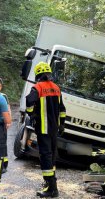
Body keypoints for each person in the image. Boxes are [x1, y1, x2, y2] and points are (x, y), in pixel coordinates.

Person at [26, 62, 66, 198]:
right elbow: (62, 109)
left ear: (38, 74)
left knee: (45, 156)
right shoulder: (56, 88)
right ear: (49, 74)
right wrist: (62, 125)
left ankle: (51, 188)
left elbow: (29, 102)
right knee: (52, 156)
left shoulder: (37, 88)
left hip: (43, 129)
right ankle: (51, 183)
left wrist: (32, 114)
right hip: (55, 128)